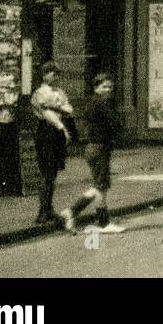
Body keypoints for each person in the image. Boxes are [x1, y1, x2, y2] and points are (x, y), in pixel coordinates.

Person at [61, 73, 124, 234]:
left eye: (110, 86)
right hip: (99, 147)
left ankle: (83, 215)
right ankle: (93, 219)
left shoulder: (92, 102)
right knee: (101, 186)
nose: (108, 90)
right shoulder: (102, 103)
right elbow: (115, 123)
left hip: (93, 147)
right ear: (96, 87)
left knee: (100, 185)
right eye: (104, 86)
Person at [31, 62, 74, 226]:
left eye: (56, 73)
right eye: (50, 73)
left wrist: (58, 107)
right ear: (43, 75)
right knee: (46, 172)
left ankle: (49, 209)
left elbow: (69, 109)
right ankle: (43, 211)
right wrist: (60, 113)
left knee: (53, 172)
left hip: (57, 134)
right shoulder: (39, 92)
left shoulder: (60, 91)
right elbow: (46, 112)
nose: (54, 76)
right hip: (47, 132)